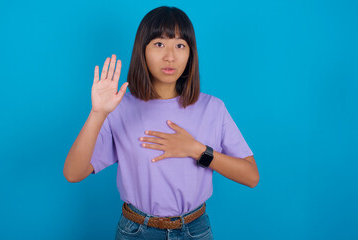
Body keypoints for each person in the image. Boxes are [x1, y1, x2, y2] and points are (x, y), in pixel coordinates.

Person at [63, 6, 259, 240]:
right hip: (136, 230)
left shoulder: (213, 108)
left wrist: (196, 149)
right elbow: (73, 173)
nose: (170, 56)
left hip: (194, 230)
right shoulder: (119, 107)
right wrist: (97, 113)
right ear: (142, 50)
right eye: (159, 44)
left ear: (190, 53)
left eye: (179, 45)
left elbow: (251, 176)